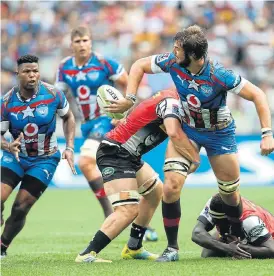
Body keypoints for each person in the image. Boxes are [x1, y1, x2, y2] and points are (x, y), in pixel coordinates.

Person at [105, 24, 274, 261]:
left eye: (177, 50)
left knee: (230, 195)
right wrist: (129, 99)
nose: (173, 54)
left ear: (194, 55)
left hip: (219, 135)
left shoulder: (219, 74)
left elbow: (257, 94)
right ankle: (172, 248)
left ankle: (235, 237)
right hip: (189, 131)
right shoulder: (173, 62)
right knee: (171, 186)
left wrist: (267, 133)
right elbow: (139, 65)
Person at [55, 26, 158, 241]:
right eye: (78, 41)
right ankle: (137, 221)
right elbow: (59, 96)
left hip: (106, 121)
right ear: (71, 45)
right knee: (124, 171)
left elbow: (130, 84)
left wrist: (124, 110)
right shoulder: (64, 67)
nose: (82, 45)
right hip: (87, 125)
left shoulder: (105, 63)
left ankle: (111, 213)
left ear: (91, 42)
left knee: (85, 162)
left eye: (85, 40)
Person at [75, 89, 200, 263]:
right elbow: (173, 132)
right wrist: (195, 158)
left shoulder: (170, 99)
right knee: (127, 210)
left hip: (129, 154)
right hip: (115, 153)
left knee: (155, 192)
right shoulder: (172, 102)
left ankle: (133, 247)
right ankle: (87, 254)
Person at [1, 54, 76, 258]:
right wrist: (7, 145)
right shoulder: (6, 102)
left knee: (20, 206)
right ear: (18, 74)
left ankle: (2, 247)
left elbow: (69, 117)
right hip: (15, 156)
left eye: (35, 71)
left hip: (45, 159)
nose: (32, 75)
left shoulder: (53, 94)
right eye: (27, 71)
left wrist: (69, 147)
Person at [192, 193, 274, 259]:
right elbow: (197, 233)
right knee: (207, 253)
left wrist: (240, 248)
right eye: (215, 221)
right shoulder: (213, 203)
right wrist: (227, 248)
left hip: (267, 237)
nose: (216, 224)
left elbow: (271, 250)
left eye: (220, 222)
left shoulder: (250, 220)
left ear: (229, 219)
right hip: (240, 228)